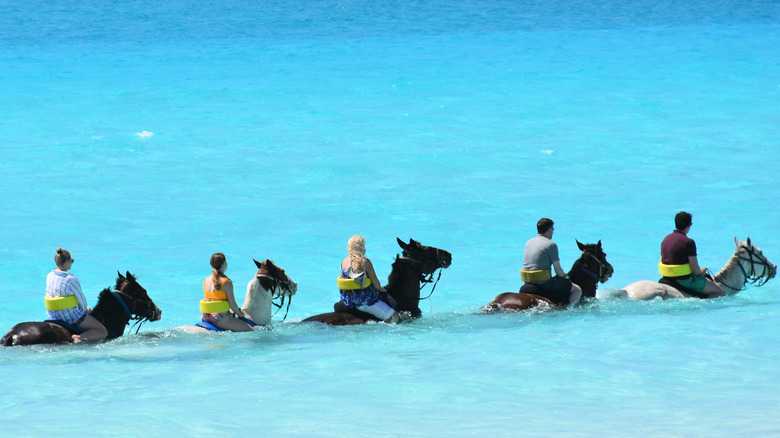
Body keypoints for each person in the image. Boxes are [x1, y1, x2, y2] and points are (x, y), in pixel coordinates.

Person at [45, 248, 108, 343]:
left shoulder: (49, 275)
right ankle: (78, 338)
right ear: (66, 261)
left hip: (53, 315)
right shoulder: (70, 279)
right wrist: (86, 310)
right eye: (71, 261)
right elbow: (81, 299)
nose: (71, 263)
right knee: (103, 331)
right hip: (69, 317)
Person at [660, 211, 725, 298]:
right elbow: (695, 270)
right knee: (721, 292)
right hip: (684, 280)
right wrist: (701, 271)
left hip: (667, 277)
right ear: (688, 225)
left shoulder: (666, 239)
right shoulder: (689, 242)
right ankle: (704, 308)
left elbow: (662, 260)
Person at [338, 235, 401, 323]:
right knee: (395, 317)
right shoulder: (364, 262)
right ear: (361, 248)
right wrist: (384, 290)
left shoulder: (344, 261)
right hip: (364, 303)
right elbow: (376, 284)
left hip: (347, 301)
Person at [521, 218, 582, 306]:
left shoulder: (529, 242)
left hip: (527, 282)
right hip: (543, 283)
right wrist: (564, 276)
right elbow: (558, 270)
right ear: (549, 230)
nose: (553, 231)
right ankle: (570, 311)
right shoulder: (551, 245)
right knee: (577, 290)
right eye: (552, 229)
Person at [201, 253, 254, 331]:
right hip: (220, 319)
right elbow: (232, 304)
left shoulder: (206, 280)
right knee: (251, 330)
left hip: (206, 317)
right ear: (224, 263)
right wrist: (241, 314)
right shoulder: (227, 282)